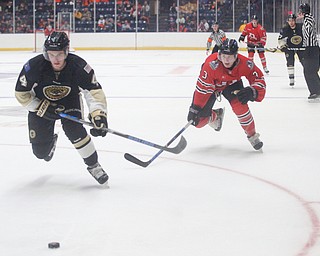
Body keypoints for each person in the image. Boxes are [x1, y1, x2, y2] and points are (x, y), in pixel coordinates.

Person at [15, 32, 109, 185]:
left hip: (70, 102)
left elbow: (93, 92)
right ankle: (50, 142)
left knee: (75, 130)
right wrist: (40, 107)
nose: (56, 59)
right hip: (41, 104)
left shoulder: (79, 66)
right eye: (51, 54)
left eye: (59, 54)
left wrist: (98, 114)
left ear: (66, 51)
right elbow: (21, 93)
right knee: (40, 153)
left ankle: (94, 166)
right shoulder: (34, 66)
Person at [187, 38, 266, 150]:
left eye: (229, 56)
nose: (226, 59)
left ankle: (252, 135)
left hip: (232, 85)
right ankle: (215, 116)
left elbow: (259, 79)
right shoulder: (211, 65)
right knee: (198, 121)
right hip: (213, 86)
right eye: (224, 56)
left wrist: (253, 91)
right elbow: (202, 89)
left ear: (236, 56)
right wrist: (195, 108)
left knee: (241, 108)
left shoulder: (245, 64)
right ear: (219, 54)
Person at [297, 3, 320, 101]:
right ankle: (316, 91)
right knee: (310, 71)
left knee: (309, 71)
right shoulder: (308, 18)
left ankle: (315, 91)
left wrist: (304, 16)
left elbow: (308, 32)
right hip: (311, 48)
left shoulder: (309, 19)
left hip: (311, 49)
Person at [278, 14, 303, 87]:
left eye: (292, 21)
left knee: (304, 61)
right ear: (287, 21)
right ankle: (291, 79)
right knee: (290, 62)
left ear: (295, 21)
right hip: (289, 47)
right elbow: (280, 39)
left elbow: (306, 36)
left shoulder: (301, 27)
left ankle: (309, 77)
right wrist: (282, 46)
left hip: (301, 47)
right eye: (289, 21)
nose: (291, 22)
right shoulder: (285, 29)